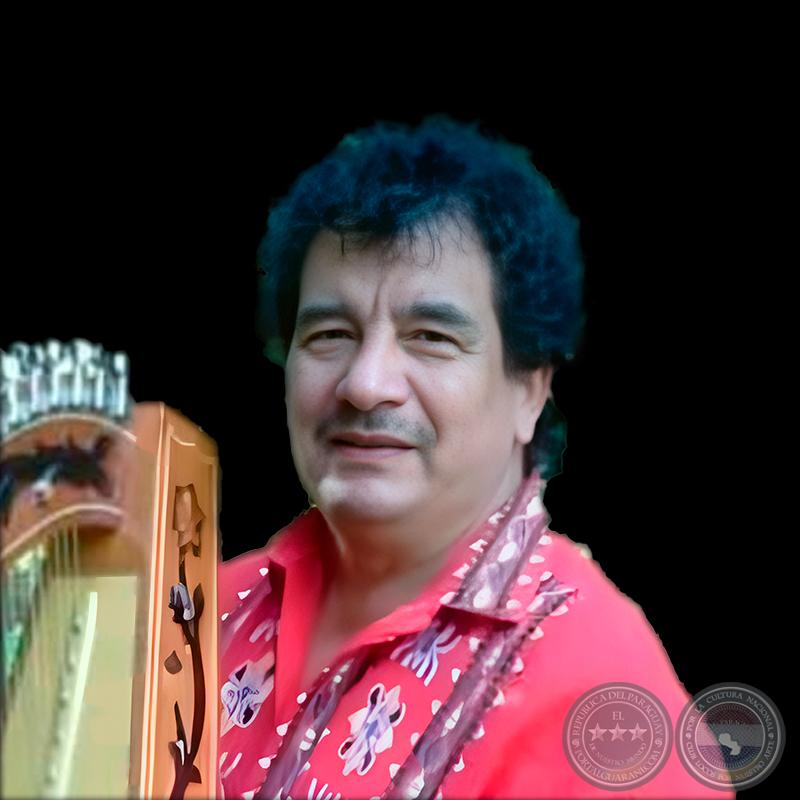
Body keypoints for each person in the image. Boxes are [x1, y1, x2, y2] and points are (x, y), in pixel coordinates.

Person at [217, 116, 734, 799]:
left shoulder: (604, 693)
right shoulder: (202, 610)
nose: (365, 383)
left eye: (431, 336)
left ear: (530, 390)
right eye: (330, 334)